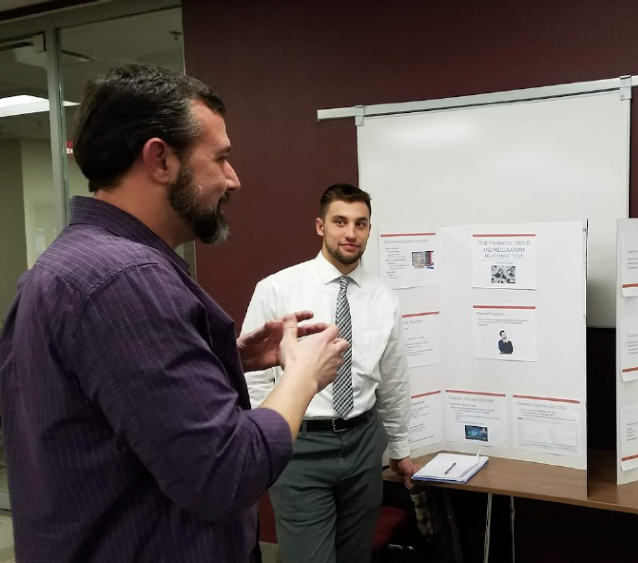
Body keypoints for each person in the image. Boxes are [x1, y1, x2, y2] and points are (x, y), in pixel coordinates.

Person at [0, 64, 349, 562]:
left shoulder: (68, 267)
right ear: (160, 159)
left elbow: (110, 404)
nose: (234, 179)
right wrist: (302, 376)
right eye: (221, 158)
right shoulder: (123, 279)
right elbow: (227, 473)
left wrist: (222, 358)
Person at [242, 183, 417, 563]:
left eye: (361, 223)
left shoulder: (384, 298)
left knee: (356, 555)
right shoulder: (277, 289)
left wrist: (400, 449)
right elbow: (253, 377)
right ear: (321, 226)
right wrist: (263, 445)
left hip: (363, 444)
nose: (351, 233)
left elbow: (393, 379)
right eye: (340, 221)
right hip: (301, 446)